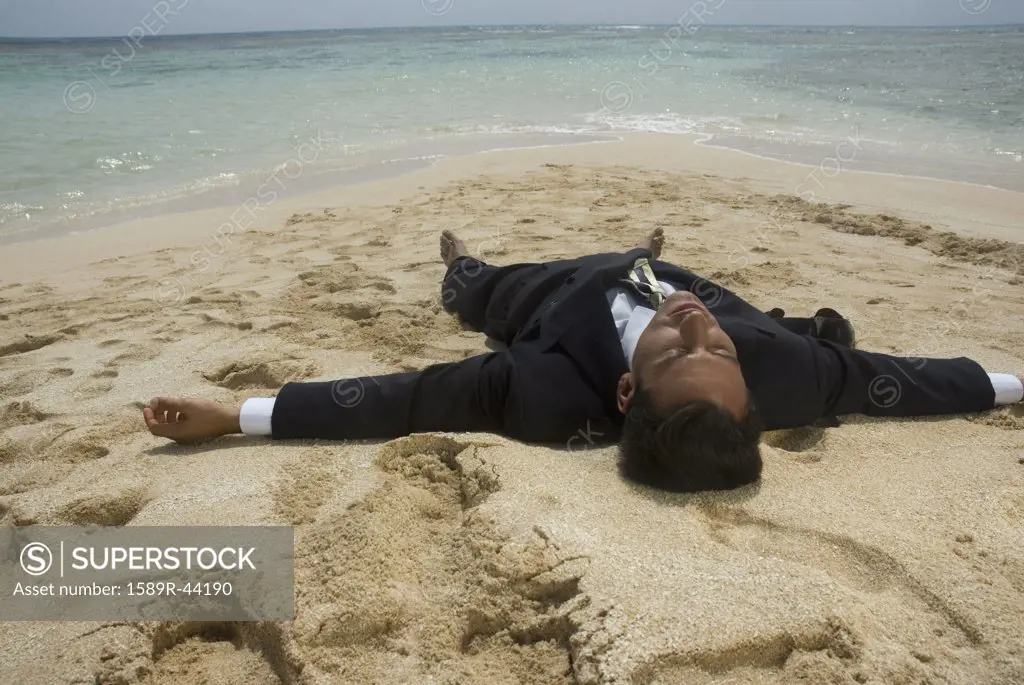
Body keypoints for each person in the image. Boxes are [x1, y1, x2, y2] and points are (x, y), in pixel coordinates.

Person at [143, 229, 1023, 492]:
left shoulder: (540, 393)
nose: (697, 328)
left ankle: (460, 260)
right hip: (665, 270)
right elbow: (909, 383)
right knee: (796, 334)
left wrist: (243, 413)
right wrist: (1013, 383)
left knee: (474, 294)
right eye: (717, 344)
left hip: (557, 297)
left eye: (689, 345)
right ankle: (647, 249)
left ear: (631, 387)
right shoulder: (780, 369)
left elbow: (402, 399)